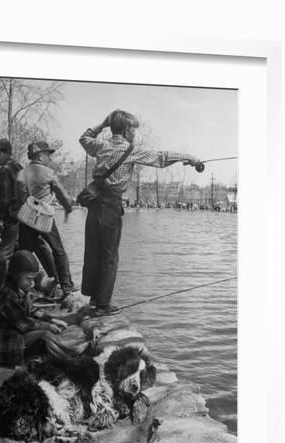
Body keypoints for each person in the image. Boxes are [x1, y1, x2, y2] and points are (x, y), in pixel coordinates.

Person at [79, 109, 200, 316]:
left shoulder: (101, 145)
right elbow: (161, 158)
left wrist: (103, 124)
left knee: (93, 252)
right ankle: (102, 305)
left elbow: (84, 138)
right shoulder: (131, 150)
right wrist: (189, 157)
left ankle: (92, 298)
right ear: (126, 130)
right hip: (111, 206)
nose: (135, 134)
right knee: (109, 256)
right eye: (133, 130)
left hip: (93, 203)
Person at [0, 138, 60, 293]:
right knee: (40, 246)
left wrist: (0, 217)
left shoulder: (5, 170)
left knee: (6, 252)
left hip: (13, 216)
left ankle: (0, 288)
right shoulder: (18, 166)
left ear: (7, 153)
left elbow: (5, 198)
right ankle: (57, 278)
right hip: (27, 214)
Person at [0, 250, 67, 367]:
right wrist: (48, 326)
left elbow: (32, 311)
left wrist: (52, 319)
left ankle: (64, 358)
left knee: (46, 340)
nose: (32, 284)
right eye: (28, 279)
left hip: (17, 340)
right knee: (45, 334)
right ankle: (68, 362)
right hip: (6, 351)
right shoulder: (8, 296)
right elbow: (26, 324)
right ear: (16, 275)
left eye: (33, 279)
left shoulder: (20, 289)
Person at [18, 141, 77, 298]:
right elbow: (63, 195)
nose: (50, 158)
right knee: (59, 251)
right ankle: (66, 287)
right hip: (44, 217)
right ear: (40, 155)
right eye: (48, 155)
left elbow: (18, 195)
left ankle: (19, 288)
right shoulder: (48, 173)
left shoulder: (22, 173)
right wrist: (68, 208)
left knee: (24, 253)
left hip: (26, 217)